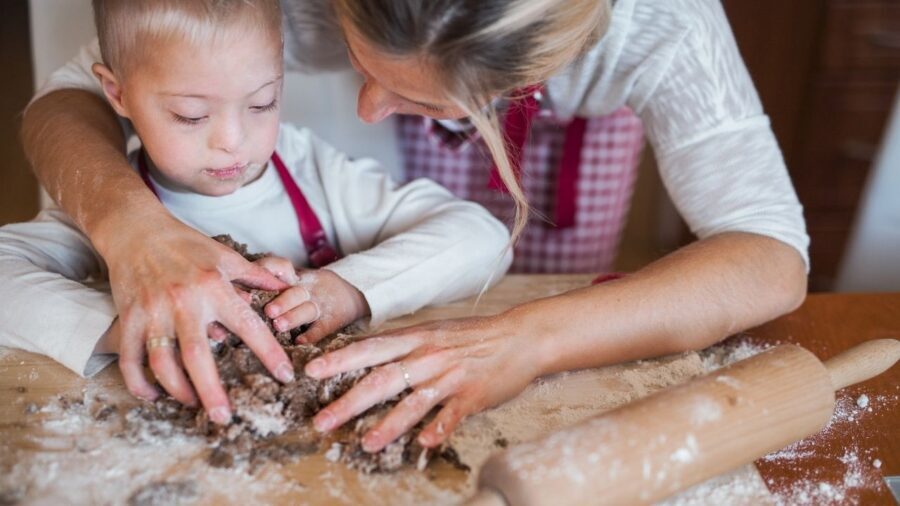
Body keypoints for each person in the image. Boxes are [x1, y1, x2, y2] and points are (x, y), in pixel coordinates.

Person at [22, 0, 808, 453]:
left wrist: (527, 339)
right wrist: (137, 234)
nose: (363, 112)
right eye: (360, 66)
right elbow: (67, 101)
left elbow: (768, 254)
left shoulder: (661, 24)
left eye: (418, 100)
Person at [1, 0, 512, 424]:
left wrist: (344, 289)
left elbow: (482, 239)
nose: (232, 141)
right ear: (117, 93)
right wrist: (134, 324)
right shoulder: (104, 205)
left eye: (263, 103)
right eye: (190, 115)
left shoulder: (315, 174)